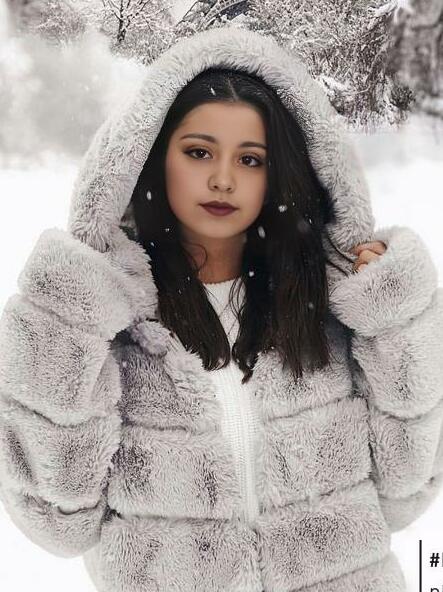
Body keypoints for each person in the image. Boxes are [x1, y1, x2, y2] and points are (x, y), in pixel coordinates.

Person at [0, 25, 442, 592]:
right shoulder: (107, 326)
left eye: (251, 159)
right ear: (153, 158)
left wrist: (393, 318)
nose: (223, 179)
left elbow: (408, 489)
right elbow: (59, 522)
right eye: (199, 152)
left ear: (277, 174)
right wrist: (65, 320)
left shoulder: (329, 310)